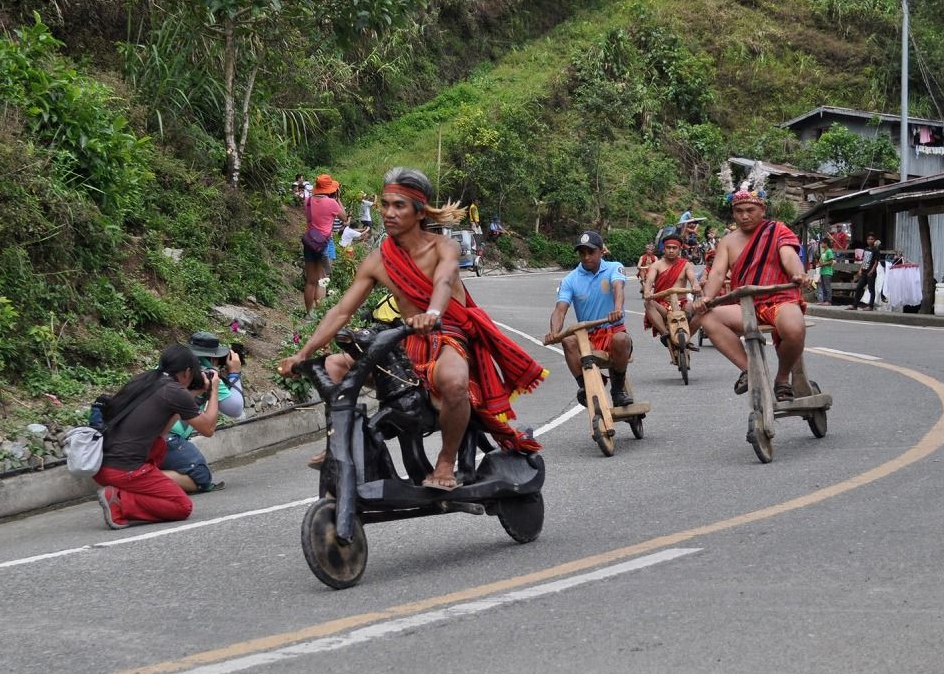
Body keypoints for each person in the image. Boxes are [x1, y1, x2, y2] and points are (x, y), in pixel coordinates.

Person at [279, 166, 546, 491]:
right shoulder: (378, 260)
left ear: (419, 211)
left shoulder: (442, 248)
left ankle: (446, 463)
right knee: (334, 366)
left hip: (447, 336)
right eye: (385, 204)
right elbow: (341, 311)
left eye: (399, 206)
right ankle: (342, 443)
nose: (388, 213)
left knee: (453, 380)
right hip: (404, 339)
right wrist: (303, 353)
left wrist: (432, 312)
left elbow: (445, 280)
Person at [695, 184, 814, 402]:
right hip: (747, 305)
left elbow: (788, 256)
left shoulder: (777, 230)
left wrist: (798, 273)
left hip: (781, 299)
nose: (744, 216)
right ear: (733, 213)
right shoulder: (728, 241)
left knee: (794, 328)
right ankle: (750, 371)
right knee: (708, 317)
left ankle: (782, 378)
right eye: (739, 211)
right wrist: (706, 297)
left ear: (762, 210)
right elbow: (718, 273)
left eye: (750, 210)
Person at [92, 345, 221, 530]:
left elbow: (163, 427)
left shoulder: (145, 381)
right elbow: (208, 428)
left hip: (101, 465)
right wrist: (214, 390)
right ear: (187, 372)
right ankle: (119, 500)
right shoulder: (174, 391)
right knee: (182, 506)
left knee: (160, 442)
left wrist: (195, 394)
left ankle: (123, 492)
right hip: (125, 470)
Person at [548, 231, 634, 408]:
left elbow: (618, 288)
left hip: (613, 331)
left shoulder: (614, 268)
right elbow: (560, 309)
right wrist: (554, 332)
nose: (586, 257)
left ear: (601, 251)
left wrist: (617, 310)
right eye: (582, 253)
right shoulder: (569, 280)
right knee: (568, 340)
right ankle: (585, 387)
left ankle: (618, 391)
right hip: (588, 338)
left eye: (591, 252)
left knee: (622, 339)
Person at [157, 332, 244, 493]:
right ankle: (138, 479)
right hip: (166, 437)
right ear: (212, 357)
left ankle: (138, 476)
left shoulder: (166, 366)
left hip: (142, 434)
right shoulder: (206, 371)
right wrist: (234, 374)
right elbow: (235, 408)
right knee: (201, 478)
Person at [643, 234, 700, 346]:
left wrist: (695, 285)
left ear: (679, 249)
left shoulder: (686, 265)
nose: (671, 250)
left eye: (674, 248)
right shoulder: (656, 265)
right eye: (668, 248)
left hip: (682, 303)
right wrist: (647, 291)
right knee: (648, 304)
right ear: (664, 249)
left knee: (700, 309)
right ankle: (665, 334)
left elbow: (693, 279)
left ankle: (688, 336)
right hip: (663, 305)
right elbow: (649, 281)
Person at [302, 174, 346, 312]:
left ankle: (309, 313)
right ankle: (320, 311)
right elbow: (344, 218)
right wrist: (338, 199)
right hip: (324, 244)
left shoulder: (307, 201)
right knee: (323, 279)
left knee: (310, 281)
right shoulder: (331, 203)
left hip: (309, 243)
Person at [848, 234, 881, 311]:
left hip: (871, 273)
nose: (870, 240)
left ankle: (870, 306)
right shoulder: (866, 249)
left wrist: (872, 271)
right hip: (864, 272)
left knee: (871, 289)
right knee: (859, 287)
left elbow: (876, 262)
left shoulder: (876, 250)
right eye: (869, 239)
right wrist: (860, 270)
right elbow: (864, 260)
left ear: (874, 240)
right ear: (867, 240)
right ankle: (855, 305)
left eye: (872, 239)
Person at [815, 237, 835, 305]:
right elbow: (821, 261)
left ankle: (829, 301)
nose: (821, 244)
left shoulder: (829, 251)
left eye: (822, 243)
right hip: (823, 271)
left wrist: (823, 264)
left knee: (827, 287)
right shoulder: (824, 251)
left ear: (826, 244)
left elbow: (831, 261)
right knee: (823, 287)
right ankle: (824, 300)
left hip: (827, 271)